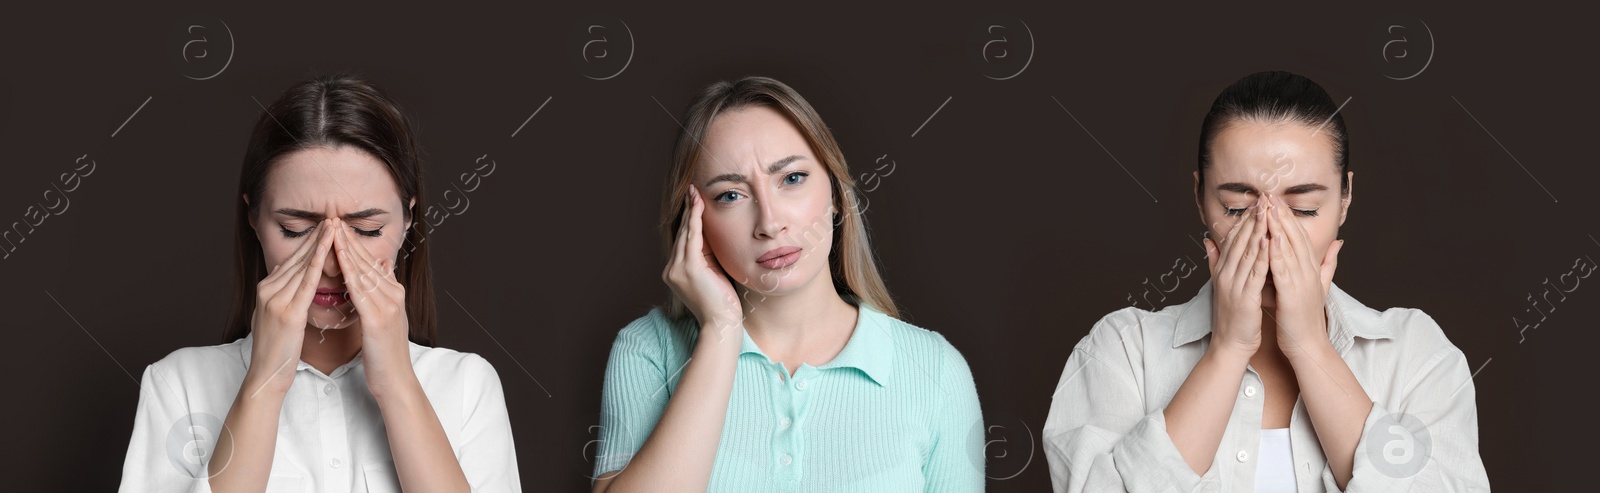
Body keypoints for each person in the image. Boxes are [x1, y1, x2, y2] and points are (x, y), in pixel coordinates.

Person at [1043, 71, 1490, 492]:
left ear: (1345, 199)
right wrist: (1227, 350)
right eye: (1237, 207)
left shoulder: (1415, 354)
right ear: (1201, 199)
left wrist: (1312, 348)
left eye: (1304, 209)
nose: (1271, 234)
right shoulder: (1122, 352)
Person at [117, 74, 519, 492]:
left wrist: (397, 385)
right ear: (254, 219)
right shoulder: (179, 384)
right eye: (295, 229)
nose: (330, 263)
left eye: (366, 229)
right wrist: (263, 386)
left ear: (408, 220)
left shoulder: (468, 386)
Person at [591, 76, 985, 492]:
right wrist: (720, 331)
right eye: (730, 195)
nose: (770, 222)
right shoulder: (649, 352)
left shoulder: (936, 371)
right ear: (695, 222)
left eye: (792, 178)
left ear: (835, 192)